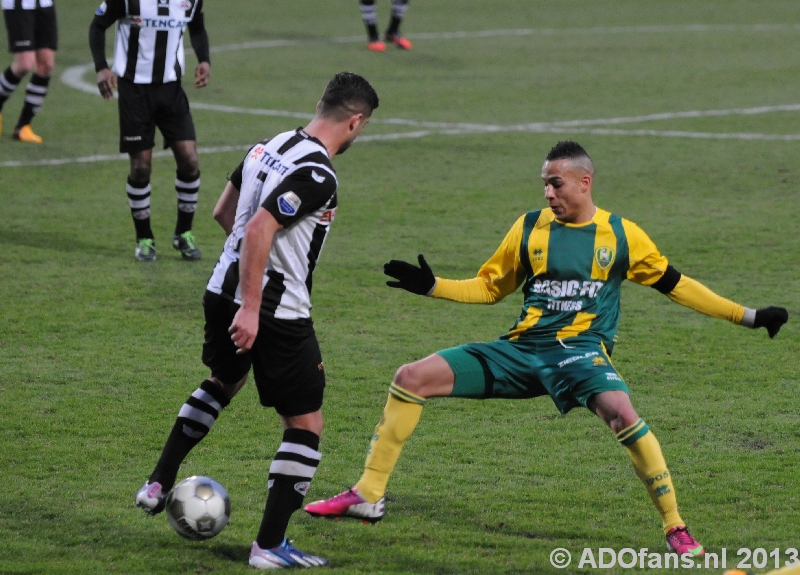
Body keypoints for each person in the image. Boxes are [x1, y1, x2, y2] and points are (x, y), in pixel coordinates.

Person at [304, 141, 790, 556]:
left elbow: (678, 285)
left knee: (622, 412)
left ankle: (674, 525)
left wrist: (747, 316)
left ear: (585, 182)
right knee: (410, 377)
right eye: (544, 183)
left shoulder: (622, 235)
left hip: (580, 352)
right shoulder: (530, 227)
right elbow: (490, 288)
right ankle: (369, 494)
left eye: (556, 183)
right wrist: (434, 287)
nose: (548, 192)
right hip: (521, 350)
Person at [134, 72, 379, 570]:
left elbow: (226, 213)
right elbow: (262, 226)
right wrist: (254, 301)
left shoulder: (267, 145)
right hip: (273, 310)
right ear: (355, 122)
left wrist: (245, 275)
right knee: (305, 422)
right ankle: (269, 546)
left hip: (220, 290)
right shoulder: (318, 174)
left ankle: (158, 481)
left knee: (224, 380)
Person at [89, 0, 210, 262]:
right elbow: (97, 26)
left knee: (190, 159)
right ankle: (144, 239)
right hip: (134, 91)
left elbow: (197, 27)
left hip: (171, 90)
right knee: (141, 166)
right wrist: (101, 67)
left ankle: (184, 233)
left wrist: (204, 60)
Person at [0, 0, 57, 143]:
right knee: (24, 64)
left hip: (45, 4)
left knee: (46, 64)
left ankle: (23, 126)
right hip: (18, 4)